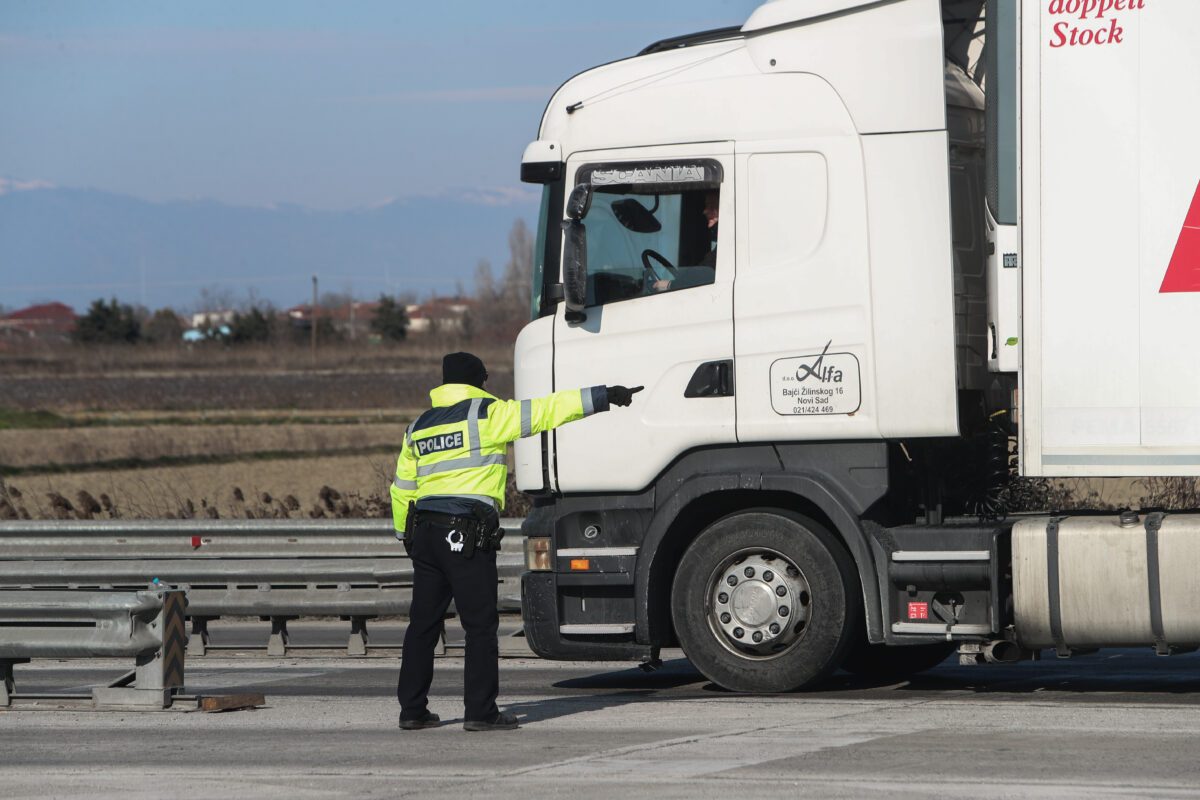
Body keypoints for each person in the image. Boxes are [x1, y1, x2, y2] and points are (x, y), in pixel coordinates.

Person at [391, 352, 641, 732]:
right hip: (465, 532)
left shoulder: (417, 427)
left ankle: (412, 710)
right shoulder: (484, 415)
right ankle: (480, 712)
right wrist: (603, 395)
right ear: (477, 381)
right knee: (479, 626)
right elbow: (547, 411)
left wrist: (404, 535)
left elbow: (402, 488)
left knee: (422, 624)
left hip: (424, 531)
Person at [652, 190, 719, 292]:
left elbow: (706, 273)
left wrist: (670, 285)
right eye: (707, 206)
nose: (705, 211)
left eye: (712, 206)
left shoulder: (730, 250)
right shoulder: (721, 250)